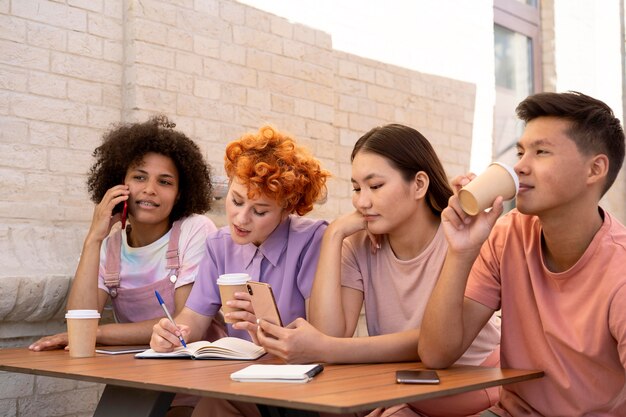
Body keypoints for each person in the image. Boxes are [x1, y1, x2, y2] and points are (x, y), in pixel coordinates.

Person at [257, 124, 502, 417]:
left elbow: (428, 342)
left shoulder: (461, 237)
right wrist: (334, 234)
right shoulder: (358, 244)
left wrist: (326, 348)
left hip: (472, 382)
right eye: (357, 188)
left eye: (375, 186)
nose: (362, 201)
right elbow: (330, 333)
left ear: (419, 185)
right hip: (403, 384)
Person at [419, 91, 626, 416]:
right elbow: (436, 355)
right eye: (520, 151)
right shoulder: (507, 234)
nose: (519, 166)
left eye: (541, 152)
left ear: (595, 169)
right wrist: (461, 251)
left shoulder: (620, 273)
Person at [29, 115, 224, 416]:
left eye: (165, 182)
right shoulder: (108, 246)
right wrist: (94, 237)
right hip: (140, 379)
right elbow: (81, 319)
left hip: (201, 383)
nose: (150, 189)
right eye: (140, 177)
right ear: (119, 184)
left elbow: (184, 328)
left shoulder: (195, 230)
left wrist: (96, 334)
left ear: (181, 193)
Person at [150, 125, 330, 417]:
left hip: (302, 385)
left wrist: (265, 325)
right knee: (212, 404)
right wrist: (171, 333)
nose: (241, 218)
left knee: (216, 405)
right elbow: (193, 319)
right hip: (242, 382)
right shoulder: (219, 245)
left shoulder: (312, 241)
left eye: (260, 211)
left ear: (287, 209)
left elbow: (323, 335)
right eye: (235, 201)